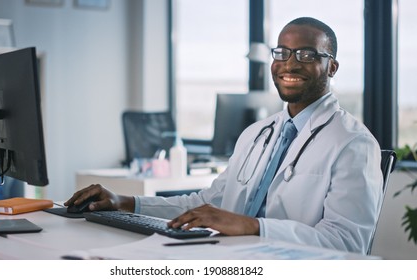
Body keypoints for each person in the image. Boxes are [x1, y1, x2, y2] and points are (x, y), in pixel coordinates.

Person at [65, 17, 383, 254]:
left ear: (332, 67)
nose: (289, 63)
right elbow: (206, 204)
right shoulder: (257, 134)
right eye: (282, 52)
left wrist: (253, 227)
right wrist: (126, 202)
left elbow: (347, 244)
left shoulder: (354, 143)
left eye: (306, 55)